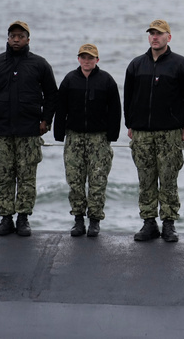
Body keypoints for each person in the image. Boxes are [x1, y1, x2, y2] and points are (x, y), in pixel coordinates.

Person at [124, 19, 184, 243]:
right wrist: (130, 124)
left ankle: (169, 223)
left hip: (170, 133)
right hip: (142, 133)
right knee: (145, 179)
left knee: (168, 179)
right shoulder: (136, 65)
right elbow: (128, 97)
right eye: (152, 33)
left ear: (169, 37)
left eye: (160, 33)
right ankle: (148, 222)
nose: (155, 37)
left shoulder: (181, 65)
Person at [0, 21, 57, 237]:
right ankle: (6, 218)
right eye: (12, 36)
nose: (16, 39)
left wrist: (46, 121)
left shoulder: (40, 65)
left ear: (28, 39)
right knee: (5, 176)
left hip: (29, 131)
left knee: (27, 176)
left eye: (21, 36)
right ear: (7, 38)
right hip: (1, 131)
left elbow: (52, 95)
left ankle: (23, 218)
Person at [54, 43, 121, 237]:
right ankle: (78, 220)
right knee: (75, 181)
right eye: (83, 57)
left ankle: (94, 221)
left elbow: (115, 110)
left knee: (98, 181)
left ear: (97, 60)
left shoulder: (106, 81)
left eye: (90, 58)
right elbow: (61, 108)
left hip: (98, 138)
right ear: (78, 59)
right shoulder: (69, 80)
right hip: (74, 137)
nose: (86, 61)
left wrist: (112, 135)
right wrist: (59, 134)